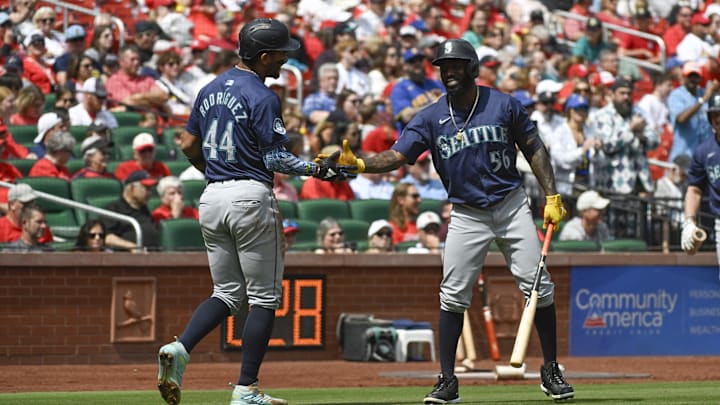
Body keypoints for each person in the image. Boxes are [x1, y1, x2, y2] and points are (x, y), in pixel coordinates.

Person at [324, 38, 573, 402]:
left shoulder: (503, 104)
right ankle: (447, 380)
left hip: (510, 204)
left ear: (473, 68)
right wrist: (360, 164)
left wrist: (551, 194)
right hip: (467, 212)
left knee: (539, 287)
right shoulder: (430, 116)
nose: (449, 71)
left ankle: (550, 369)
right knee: (452, 295)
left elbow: (534, 147)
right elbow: (398, 155)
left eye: (456, 65)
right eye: (444, 66)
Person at [157, 18, 354, 405]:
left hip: (212, 196)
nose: (286, 59)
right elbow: (277, 157)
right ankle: (246, 389)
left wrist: (214, 172)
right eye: (281, 53)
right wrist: (320, 169)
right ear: (264, 57)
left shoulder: (209, 88)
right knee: (264, 298)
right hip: (249, 195)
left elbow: (187, 143)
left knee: (227, 293)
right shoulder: (263, 96)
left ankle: (180, 348)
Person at [681, 92, 720, 264]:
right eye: (715, 114)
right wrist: (689, 222)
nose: (718, 118)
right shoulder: (704, 151)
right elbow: (694, 190)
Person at [668, 62, 720, 162]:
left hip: (704, 159)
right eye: (690, 76)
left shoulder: (703, 92)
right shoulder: (676, 95)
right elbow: (681, 118)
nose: (693, 79)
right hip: (683, 156)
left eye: (696, 76)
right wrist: (703, 99)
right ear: (683, 77)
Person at [102, 169, 160, 251]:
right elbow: (107, 238)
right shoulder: (114, 208)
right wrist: (132, 247)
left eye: (150, 189)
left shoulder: (144, 209)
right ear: (132, 188)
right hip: (128, 259)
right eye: (146, 188)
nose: (149, 193)